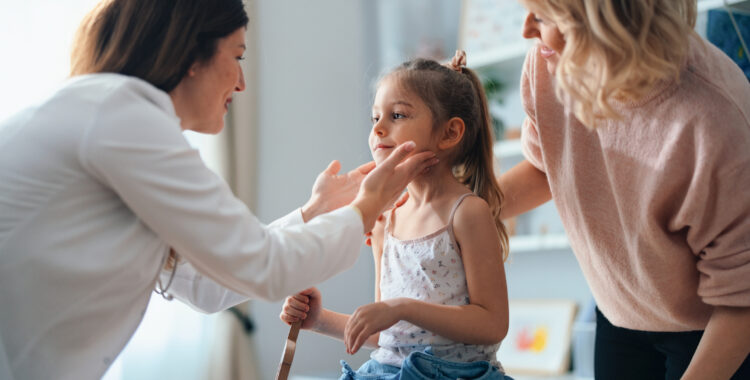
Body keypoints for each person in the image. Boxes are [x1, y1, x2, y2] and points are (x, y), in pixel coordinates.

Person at [0, 0, 439, 379]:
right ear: (193, 55)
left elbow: (205, 286)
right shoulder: (123, 120)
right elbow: (263, 266)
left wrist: (315, 210)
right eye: (238, 56)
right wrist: (367, 206)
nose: (242, 83)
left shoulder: (113, 116)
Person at [497, 0, 750, 379]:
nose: (527, 30)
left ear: (606, 18)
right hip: (618, 311)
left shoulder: (712, 118)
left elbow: (742, 299)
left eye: (546, 17)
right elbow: (546, 167)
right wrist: (457, 209)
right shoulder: (548, 63)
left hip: (710, 329)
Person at [280, 52, 514, 380]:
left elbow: (492, 324)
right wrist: (317, 320)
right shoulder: (386, 221)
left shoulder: (467, 213)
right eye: (375, 117)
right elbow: (391, 333)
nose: (378, 128)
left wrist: (401, 307)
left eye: (398, 115)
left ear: (450, 133)